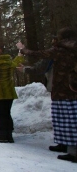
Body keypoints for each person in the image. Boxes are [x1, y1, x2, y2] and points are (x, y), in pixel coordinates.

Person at [19, 27, 77, 162]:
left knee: (66, 120)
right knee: (70, 119)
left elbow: (40, 55)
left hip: (61, 88)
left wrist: (24, 50)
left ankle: (73, 151)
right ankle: (65, 145)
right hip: (72, 87)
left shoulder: (60, 49)